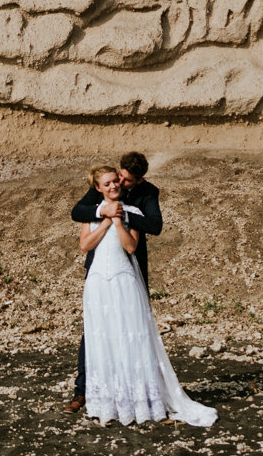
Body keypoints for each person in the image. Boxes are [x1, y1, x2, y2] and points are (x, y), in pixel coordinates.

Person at [70, 163, 215, 426]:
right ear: (98, 188)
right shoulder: (92, 210)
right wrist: (104, 220)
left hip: (124, 278)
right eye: (109, 183)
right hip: (98, 281)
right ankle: (98, 397)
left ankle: (137, 400)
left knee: (129, 333)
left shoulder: (133, 210)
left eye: (117, 181)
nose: (115, 185)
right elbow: (84, 245)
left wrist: (118, 219)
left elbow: (130, 246)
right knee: (99, 335)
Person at [67, 152, 163, 410]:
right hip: (99, 268)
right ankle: (82, 391)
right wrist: (102, 210)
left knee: (131, 329)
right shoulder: (104, 187)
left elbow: (155, 226)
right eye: (118, 176)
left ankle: (134, 391)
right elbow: (77, 212)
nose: (119, 183)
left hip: (128, 268)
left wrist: (123, 215)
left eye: (126, 180)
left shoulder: (149, 193)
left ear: (139, 180)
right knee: (94, 330)